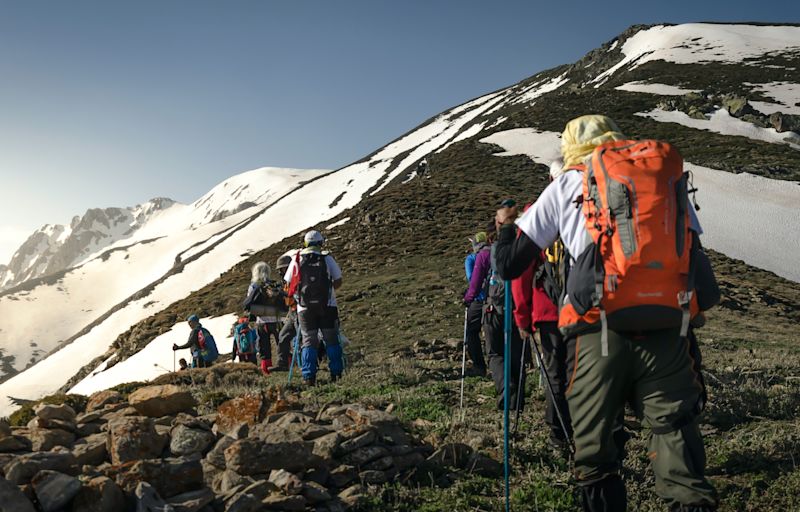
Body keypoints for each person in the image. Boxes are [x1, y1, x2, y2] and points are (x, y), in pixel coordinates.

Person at [493, 115, 717, 511]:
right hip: (667, 327)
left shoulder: (568, 181)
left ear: (570, 149)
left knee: (595, 454)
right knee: (676, 438)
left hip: (597, 330)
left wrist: (507, 228)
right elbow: (696, 257)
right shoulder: (660, 183)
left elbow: (510, 264)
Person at [284, 230, 344, 386]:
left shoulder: (297, 259)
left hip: (304, 309)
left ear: (305, 243)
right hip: (328, 306)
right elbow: (338, 280)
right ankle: (336, 373)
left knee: (309, 341)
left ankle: (309, 377)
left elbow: (288, 283)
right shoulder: (327, 258)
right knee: (331, 340)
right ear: (320, 243)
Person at [243, 262, 286, 374]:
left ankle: (266, 370)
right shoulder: (274, 285)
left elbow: (249, 302)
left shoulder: (254, 286)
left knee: (264, 347)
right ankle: (286, 364)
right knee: (282, 343)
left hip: (262, 321)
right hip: (278, 319)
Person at [462, 231, 490, 377]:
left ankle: (479, 366)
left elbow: (471, 279)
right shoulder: (496, 254)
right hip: (498, 298)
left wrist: (468, 298)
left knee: (472, 331)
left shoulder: (472, 258)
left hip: (479, 299)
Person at [276, 252, 298, 372]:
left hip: (299, 312)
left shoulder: (296, 278)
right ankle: (283, 363)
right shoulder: (286, 282)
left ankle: (304, 364)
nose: (280, 272)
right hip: (292, 312)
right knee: (283, 336)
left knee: (303, 339)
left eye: (281, 269)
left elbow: (293, 295)